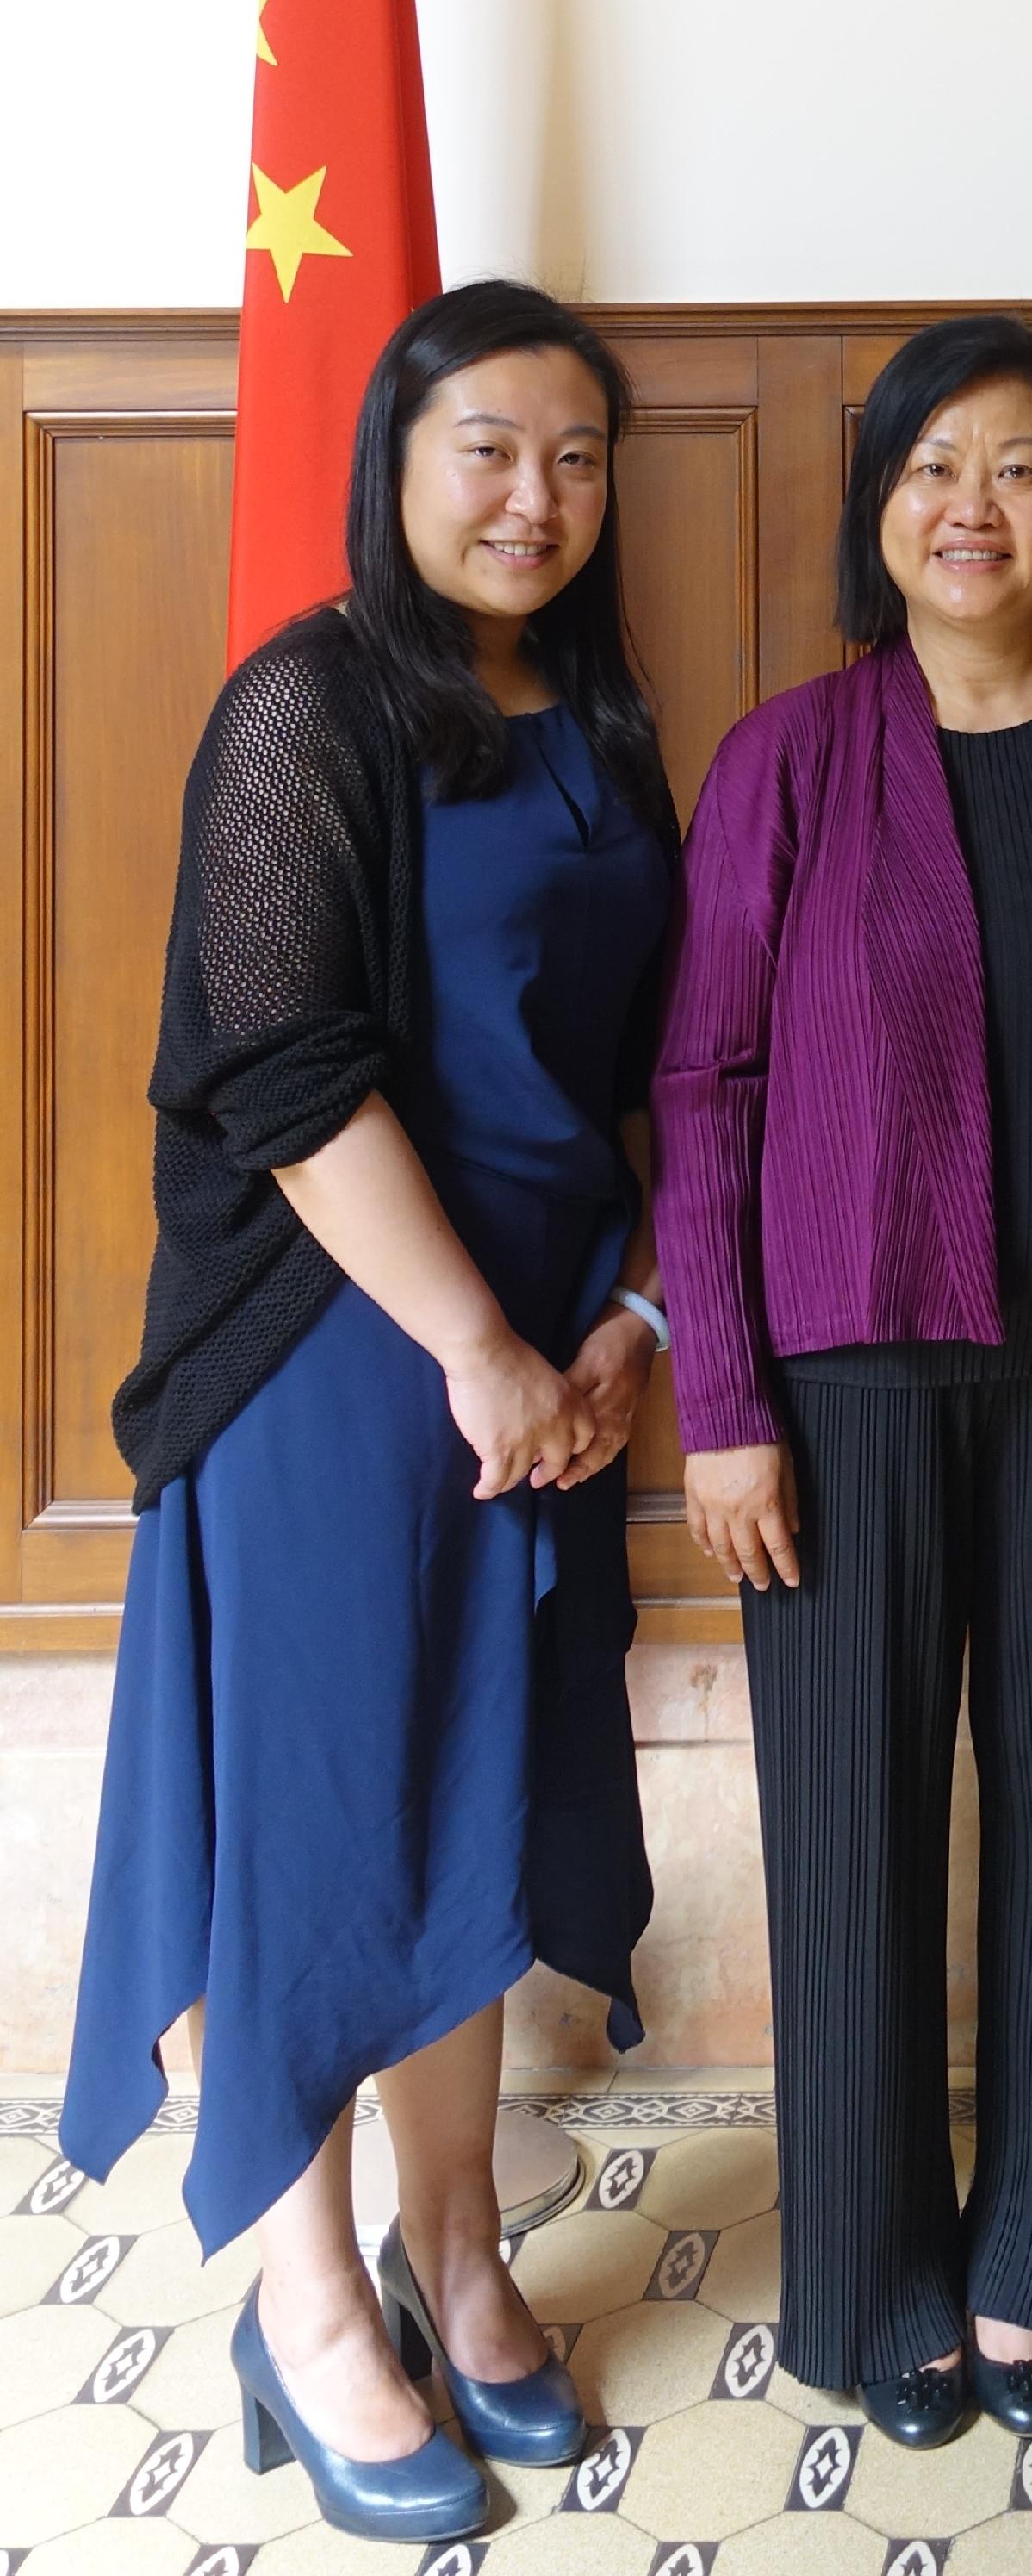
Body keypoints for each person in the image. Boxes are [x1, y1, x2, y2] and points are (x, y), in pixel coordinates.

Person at [59, 283, 679, 2538]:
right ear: (399, 464)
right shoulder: (308, 702)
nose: (537, 495)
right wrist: (477, 1347)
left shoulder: (605, 716)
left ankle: (460, 2252)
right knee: (323, 1833)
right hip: (341, 1360)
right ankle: (303, 2297)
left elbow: (648, 1065)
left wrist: (630, 1315)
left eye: (579, 458)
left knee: (479, 1811)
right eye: (491, 447)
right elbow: (283, 1064)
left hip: (550, 1364)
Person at [652, 313, 1032, 2448]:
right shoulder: (791, 757)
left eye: (1021, 466)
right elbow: (707, 1086)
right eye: (934, 465)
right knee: (851, 1845)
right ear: (878, 508)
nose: (975, 506)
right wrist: (719, 1396)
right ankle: (881, 2280)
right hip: (842, 1386)